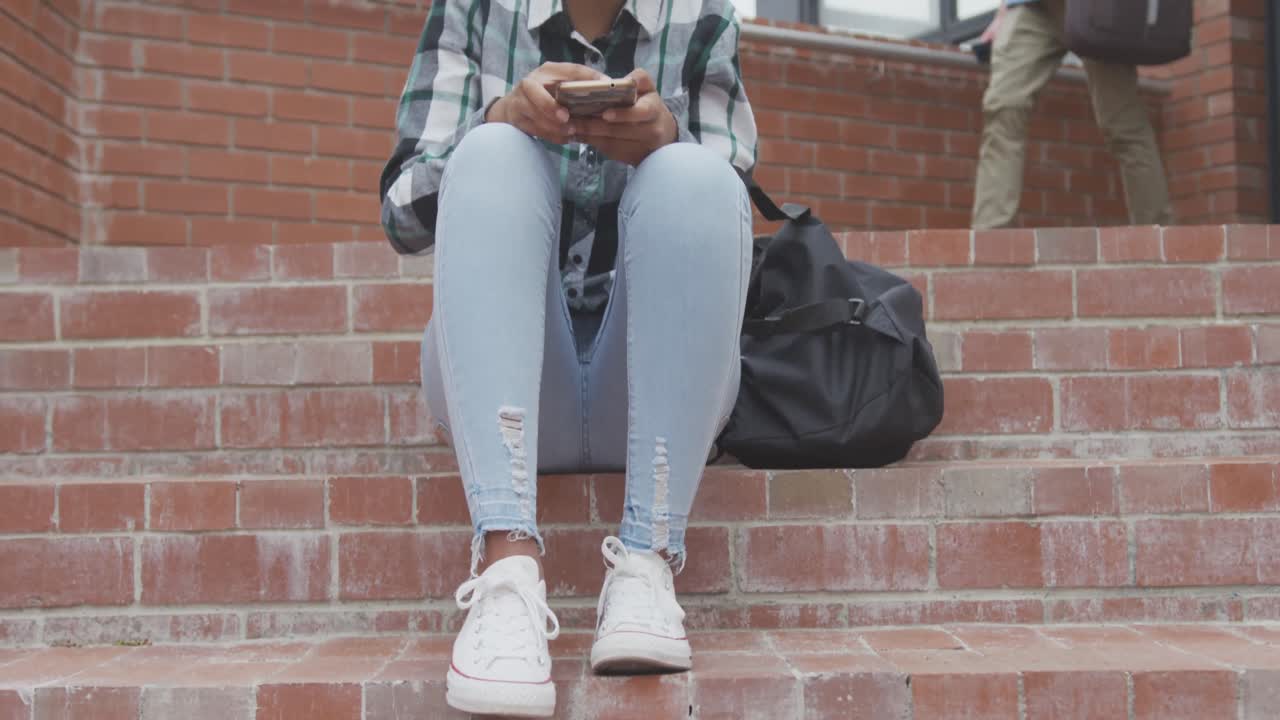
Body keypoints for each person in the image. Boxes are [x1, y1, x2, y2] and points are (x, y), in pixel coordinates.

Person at [378, 0, 757, 716]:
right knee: (490, 153)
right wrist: (500, 119)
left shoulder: (702, 16)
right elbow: (402, 209)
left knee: (694, 173)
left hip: (654, 390)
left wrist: (665, 138)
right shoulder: (474, 8)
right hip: (508, 388)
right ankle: (506, 573)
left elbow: (731, 197)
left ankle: (647, 561)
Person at [972, 0, 1172, 229]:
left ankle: (1156, 237)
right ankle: (988, 242)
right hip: (1030, 7)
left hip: (1096, 7)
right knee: (1003, 108)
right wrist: (1003, 10)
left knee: (1121, 121)